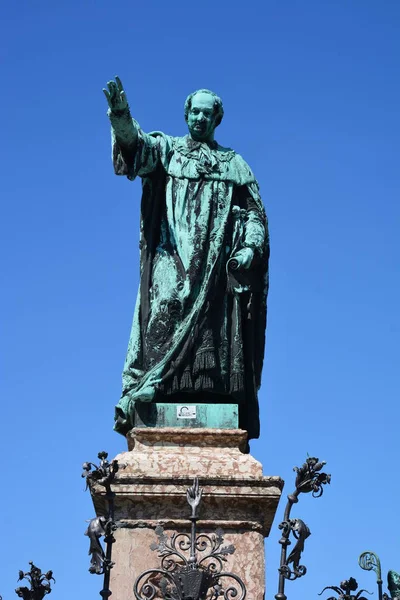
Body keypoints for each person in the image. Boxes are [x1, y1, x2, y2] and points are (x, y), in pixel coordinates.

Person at [104, 77, 269, 440]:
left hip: (215, 265)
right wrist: (120, 117)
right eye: (194, 111)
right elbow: (136, 148)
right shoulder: (168, 150)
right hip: (171, 256)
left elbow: (253, 214)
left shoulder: (234, 164)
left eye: (206, 113)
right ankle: (154, 384)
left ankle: (202, 401)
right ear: (185, 114)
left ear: (216, 120)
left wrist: (249, 247)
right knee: (164, 306)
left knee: (213, 329)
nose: (199, 118)